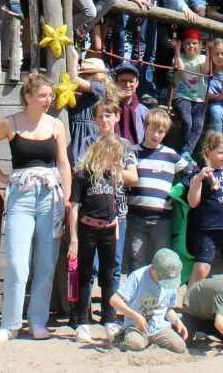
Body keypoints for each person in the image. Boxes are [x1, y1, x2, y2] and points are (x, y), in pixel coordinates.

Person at [0, 74, 74, 342]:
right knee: (16, 262)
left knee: (46, 262)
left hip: (50, 194)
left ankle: (38, 321)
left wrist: (67, 197)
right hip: (21, 194)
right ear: (28, 96)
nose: (48, 100)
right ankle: (10, 324)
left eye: (50, 95)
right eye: (42, 95)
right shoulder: (10, 123)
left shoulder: (56, 125)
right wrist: (0, 176)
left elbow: (63, 163)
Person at [67, 133, 129, 343]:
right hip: (88, 230)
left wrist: (117, 225)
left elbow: (114, 202)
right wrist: (74, 239)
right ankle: (83, 322)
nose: (116, 161)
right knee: (85, 276)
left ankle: (109, 319)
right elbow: (74, 208)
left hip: (109, 231)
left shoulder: (112, 175)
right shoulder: (82, 175)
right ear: (104, 152)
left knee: (109, 275)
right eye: (114, 156)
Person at [126, 107, 189, 272]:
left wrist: (178, 191)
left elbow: (191, 173)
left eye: (161, 132)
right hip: (136, 216)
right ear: (145, 127)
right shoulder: (132, 151)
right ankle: (136, 296)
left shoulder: (170, 155)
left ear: (165, 133)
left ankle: (158, 296)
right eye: (152, 130)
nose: (156, 135)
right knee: (136, 259)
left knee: (160, 261)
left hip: (162, 218)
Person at [187, 131, 223, 285]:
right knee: (201, 270)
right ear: (208, 150)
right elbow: (193, 202)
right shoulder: (201, 173)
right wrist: (199, 178)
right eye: (220, 152)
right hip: (208, 229)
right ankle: (189, 303)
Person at [111, 248, 189, 354]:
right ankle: (119, 339)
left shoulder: (170, 281)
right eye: (162, 279)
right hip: (135, 325)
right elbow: (114, 300)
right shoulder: (137, 276)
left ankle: (150, 342)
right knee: (134, 344)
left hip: (159, 327)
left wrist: (177, 321)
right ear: (152, 269)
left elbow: (167, 309)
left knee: (180, 346)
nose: (165, 282)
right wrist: (135, 316)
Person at [66, 57, 112, 164]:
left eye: (87, 75)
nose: (84, 78)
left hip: (89, 132)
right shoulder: (80, 94)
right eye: (83, 75)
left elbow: (74, 79)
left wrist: (74, 57)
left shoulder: (100, 89)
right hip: (74, 132)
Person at [171, 28, 208, 158]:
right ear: (182, 45)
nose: (191, 46)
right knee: (187, 121)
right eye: (187, 43)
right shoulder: (178, 58)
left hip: (199, 98)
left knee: (198, 124)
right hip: (182, 96)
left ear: (200, 45)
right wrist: (176, 50)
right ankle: (184, 151)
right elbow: (180, 69)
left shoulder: (203, 58)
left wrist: (209, 52)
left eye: (194, 43)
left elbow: (205, 71)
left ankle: (186, 152)